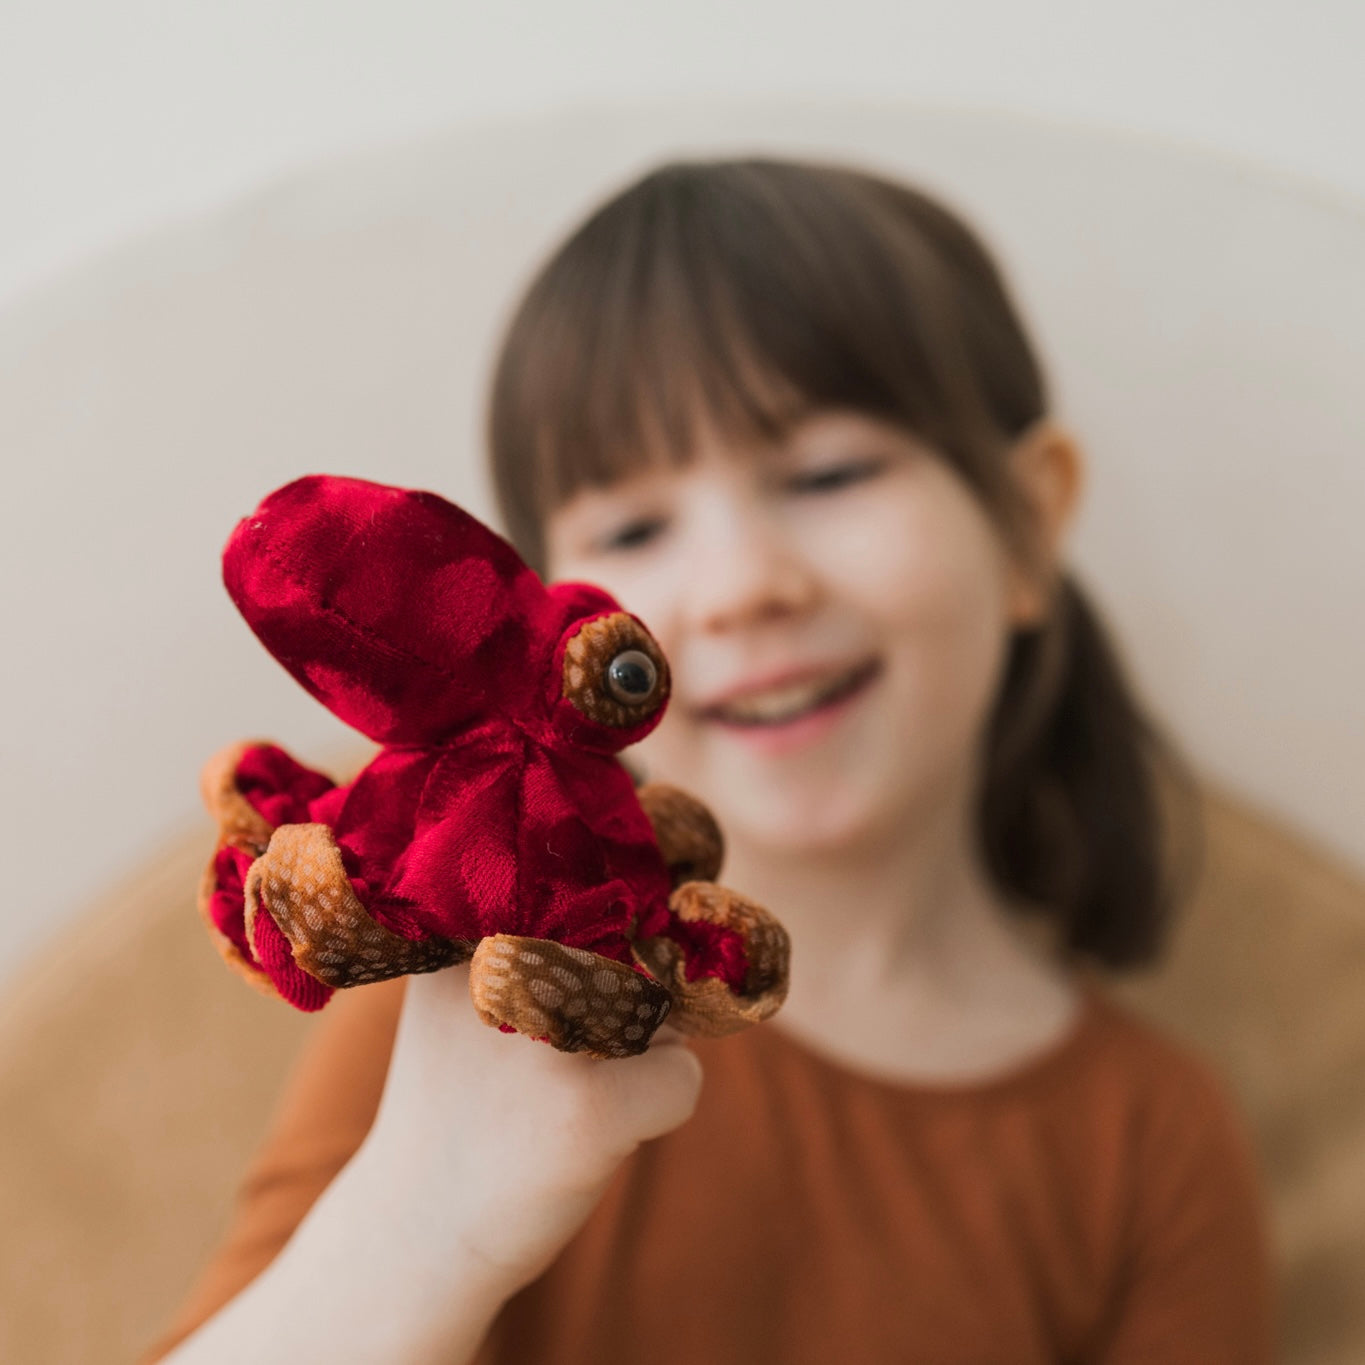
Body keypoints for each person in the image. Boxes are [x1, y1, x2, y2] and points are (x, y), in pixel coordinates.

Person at [145, 157, 1276, 1364]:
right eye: (635, 529)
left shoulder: (1149, 1142)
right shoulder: (465, 991)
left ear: (1028, 521)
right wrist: (429, 1223)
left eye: (830, 474)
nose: (741, 588)